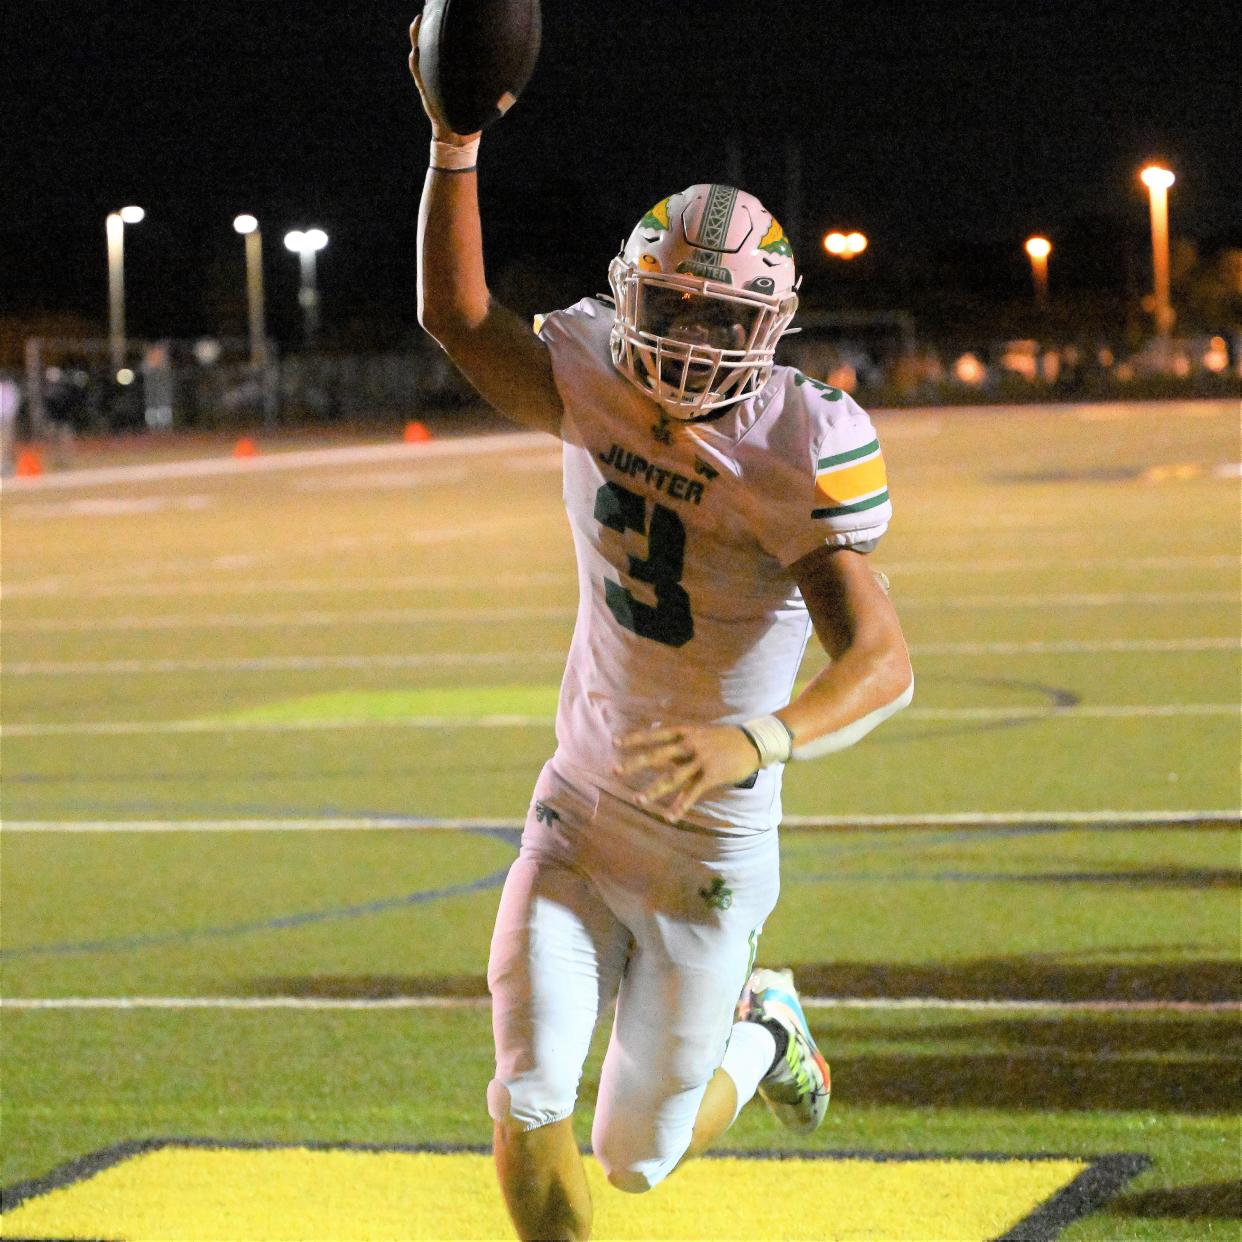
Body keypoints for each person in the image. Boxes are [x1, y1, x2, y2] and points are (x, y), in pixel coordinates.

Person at [409, 20, 914, 1241]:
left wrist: (757, 742)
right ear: (630, 295)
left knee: (635, 1159)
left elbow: (884, 664)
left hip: (711, 850)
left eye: (720, 321)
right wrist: (455, 139)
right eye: (672, 308)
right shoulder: (587, 369)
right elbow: (457, 317)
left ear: (771, 329)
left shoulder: (801, 444)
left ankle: (764, 1026)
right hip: (579, 804)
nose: (689, 343)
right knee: (526, 1096)